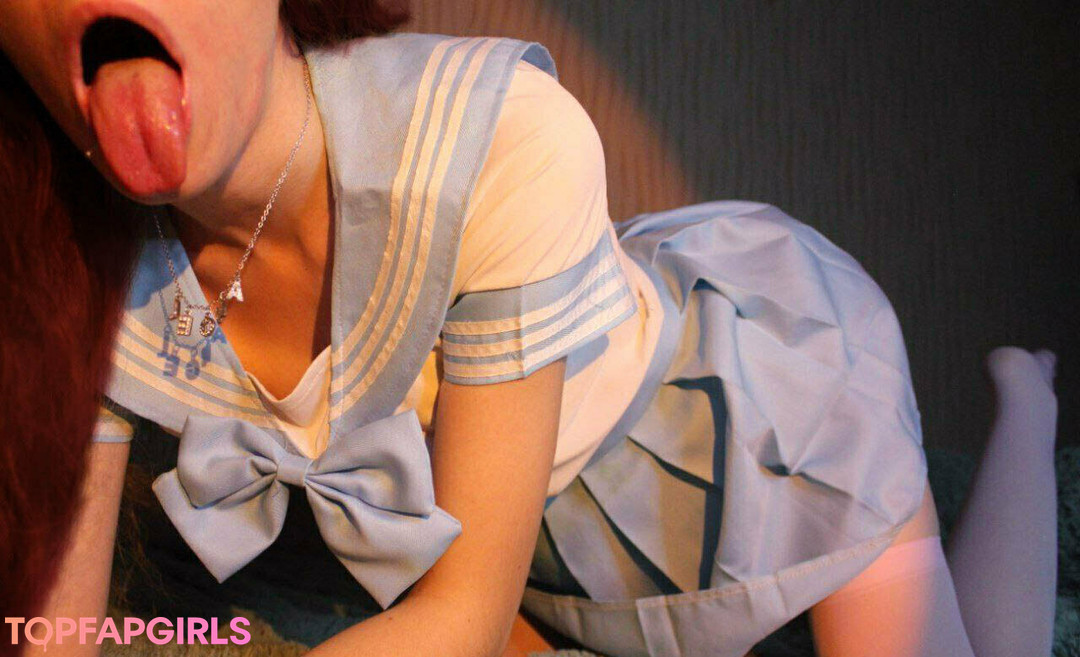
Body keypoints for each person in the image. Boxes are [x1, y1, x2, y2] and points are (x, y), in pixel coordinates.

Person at [0, 1, 1060, 656]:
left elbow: (460, 619)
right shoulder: (74, 262)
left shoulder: (499, 139)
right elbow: (56, 629)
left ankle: (1027, 402)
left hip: (748, 419)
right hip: (535, 528)